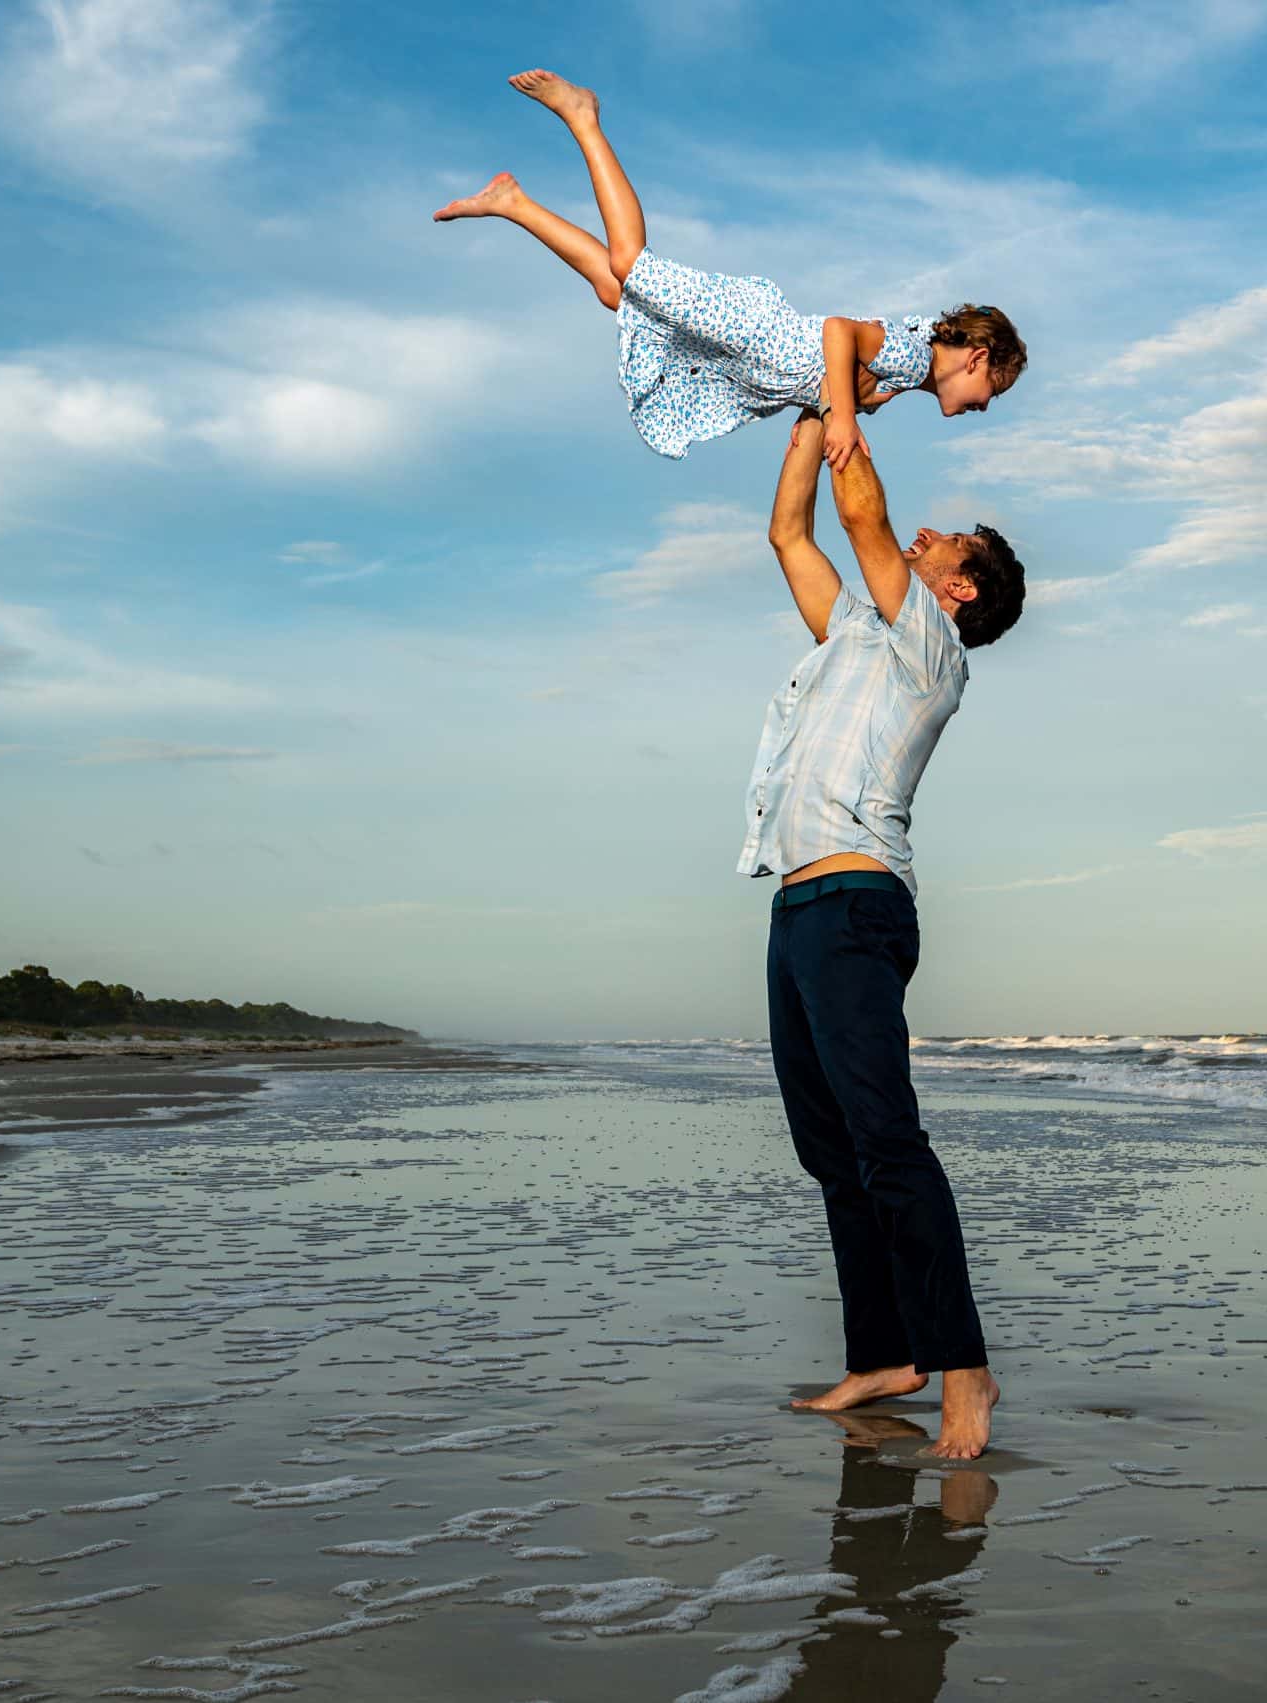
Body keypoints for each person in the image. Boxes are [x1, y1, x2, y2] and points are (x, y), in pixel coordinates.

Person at [751, 408, 1025, 1459]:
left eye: (952, 538)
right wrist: (804, 424)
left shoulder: (928, 645)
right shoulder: (863, 634)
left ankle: (965, 1367)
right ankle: (886, 1356)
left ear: (958, 587)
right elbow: (791, 534)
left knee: (888, 1142)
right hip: (795, 903)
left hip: (860, 904)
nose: (931, 532)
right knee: (833, 1153)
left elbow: (861, 511)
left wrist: (843, 393)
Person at [433, 70, 1026, 463]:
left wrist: (825, 408)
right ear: (975, 358)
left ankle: (514, 203)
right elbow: (838, 331)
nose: (985, 404)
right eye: (990, 390)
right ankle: (583, 117)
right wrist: (842, 416)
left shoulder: (908, 373)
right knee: (630, 264)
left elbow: (833, 371)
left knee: (617, 292)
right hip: (752, 332)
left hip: (747, 362)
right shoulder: (911, 355)